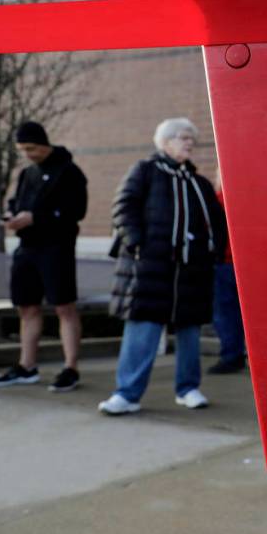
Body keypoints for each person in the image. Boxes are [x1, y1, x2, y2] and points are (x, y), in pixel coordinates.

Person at [99, 117, 227, 415]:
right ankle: (127, 394)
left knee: (190, 332)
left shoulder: (199, 183)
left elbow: (218, 223)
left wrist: (212, 252)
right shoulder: (145, 171)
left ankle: (188, 388)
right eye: (183, 137)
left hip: (191, 271)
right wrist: (137, 243)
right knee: (142, 330)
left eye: (191, 139)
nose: (189, 143)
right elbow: (123, 206)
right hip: (149, 269)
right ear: (165, 141)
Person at [0, 122, 87, 392]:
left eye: (31, 148)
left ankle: (71, 367)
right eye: (23, 150)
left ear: (43, 143)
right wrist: (12, 216)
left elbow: (76, 211)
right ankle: (27, 365)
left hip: (57, 248)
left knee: (64, 306)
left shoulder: (69, 172)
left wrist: (36, 218)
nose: (28, 154)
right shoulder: (27, 173)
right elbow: (16, 202)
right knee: (26, 307)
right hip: (27, 248)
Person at [207, 193, 246, 374]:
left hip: (226, 262)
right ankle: (236, 355)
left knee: (225, 314)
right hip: (247, 264)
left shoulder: (219, 198)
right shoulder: (251, 193)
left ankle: (232, 356)